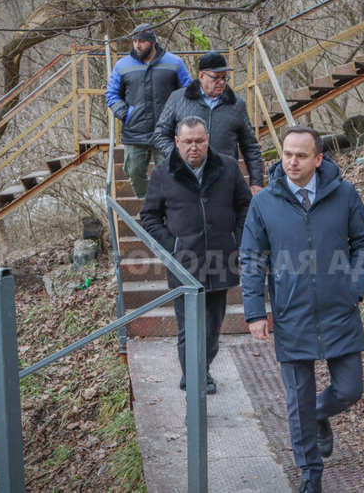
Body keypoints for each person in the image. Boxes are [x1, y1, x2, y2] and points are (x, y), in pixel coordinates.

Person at [240, 125, 364, 493]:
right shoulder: (264, 202)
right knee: (297, 397)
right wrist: (254, 311)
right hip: (291, 314)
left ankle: (317, 415)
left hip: (339, 310)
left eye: (301, 155)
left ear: (318, 159)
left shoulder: (344, 193)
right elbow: (252, 259)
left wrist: (354, 286)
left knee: (350, 389)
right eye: (287, 153)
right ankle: (310, 474)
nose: (292, 161)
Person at [140, 116, 253, 394]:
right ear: (177, 142)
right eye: (188, 141)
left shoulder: (228, 166)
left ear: (207, 140)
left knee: (212, 328)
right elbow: (150, 217)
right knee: (188, 328)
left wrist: (235, 241)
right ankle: (193, 377)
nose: (194, 147)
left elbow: (246, 207)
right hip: (184, 263)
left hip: (221, 258)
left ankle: (202, 369)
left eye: (200, 141)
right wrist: (174, 246)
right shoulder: (163, 173)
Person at [152, 51, 265, 195]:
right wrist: (179, 156)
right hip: (185, 176)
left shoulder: (237, 105)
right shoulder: (177, 99)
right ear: (201, 76)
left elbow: (250, 146)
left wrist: (256, 182)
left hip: (224, 178)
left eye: (224, 78)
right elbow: (160, 135)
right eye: (216, 78)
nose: (222, 82)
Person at [105, 23, 193, 198]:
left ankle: (167, 206)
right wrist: (125, 114)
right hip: (134, 131)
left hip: (166, 131)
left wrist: (179, 118)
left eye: (142, 41)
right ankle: (148, 203)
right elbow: (111, 94)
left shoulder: (174, 63)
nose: (137, 45)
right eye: (135, 41)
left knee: (172, 172)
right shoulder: (123, 65)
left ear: (152, 42)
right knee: (134, 171)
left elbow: (189, 92)